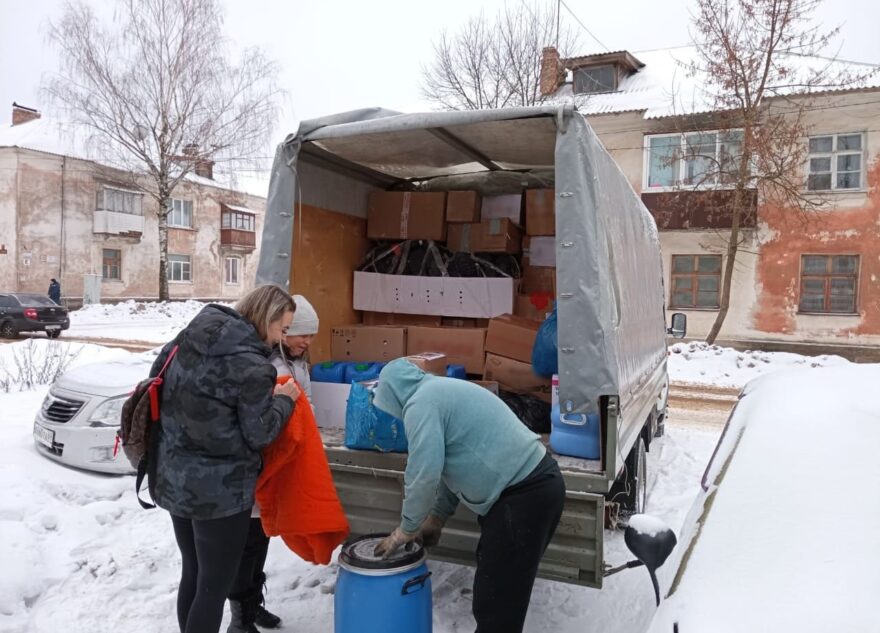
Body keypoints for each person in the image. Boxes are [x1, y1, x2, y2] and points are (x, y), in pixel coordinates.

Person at [372, 358, 566, 633]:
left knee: (496, 604)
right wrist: (437, 517)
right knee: (501, 595)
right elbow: (453, 467)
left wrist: (406, 529)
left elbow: (423, 474)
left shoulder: (421, 403)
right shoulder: (440, 391)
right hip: (536, 488)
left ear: (393, 394)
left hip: (523, 495)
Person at [150, 285, 301, 633]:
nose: (283, 337)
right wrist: (284, 401)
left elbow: (157, 386)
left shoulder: (186, 338)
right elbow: (260, 433)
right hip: (221, 493)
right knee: (213, 587)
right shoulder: (252, 366)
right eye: (284, 327)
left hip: (174, 477)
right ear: (267, 318)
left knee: (193, 573)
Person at [228, 294, 320, 632]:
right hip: (256, 461)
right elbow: (257, 417)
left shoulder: (298, 360)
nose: (307, 342)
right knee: (248, 541)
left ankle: (252, 606)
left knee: (263, 535)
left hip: (281, 458)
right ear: (282, 331)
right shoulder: (262, 361)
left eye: (311, 336)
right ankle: (240, 618)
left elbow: (305, 402)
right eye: (301, 335)